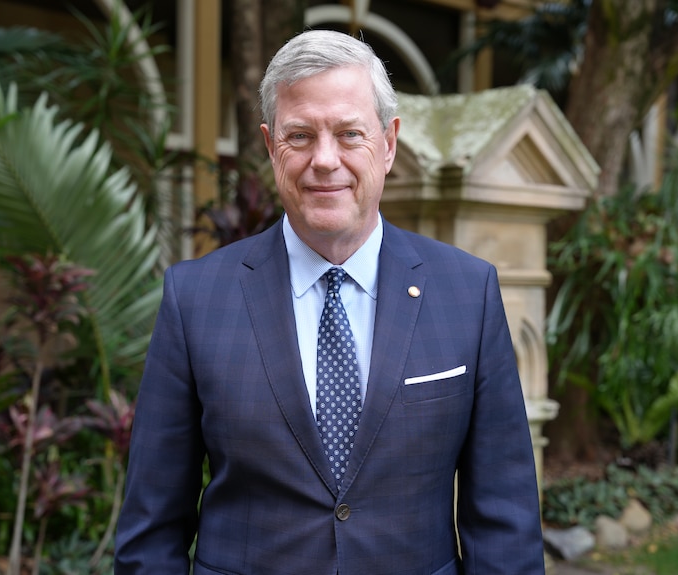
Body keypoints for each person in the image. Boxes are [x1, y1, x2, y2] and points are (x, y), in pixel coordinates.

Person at [114, 29, 545, 575]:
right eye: (300, 136)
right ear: (270, 146)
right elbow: (152, 530)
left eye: (349, 134)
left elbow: (504, 523)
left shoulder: (467, 291)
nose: (324, 160)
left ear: (388, 144)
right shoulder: (195, 299)